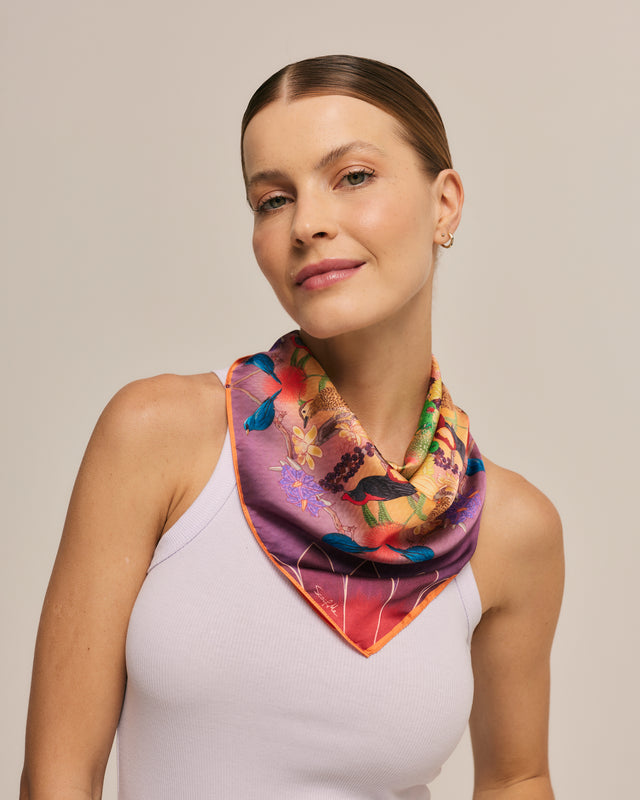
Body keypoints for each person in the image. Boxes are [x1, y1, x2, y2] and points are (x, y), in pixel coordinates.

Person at [20, 55, 564, 799]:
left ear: (445, 205)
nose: (307, 223)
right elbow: (57, 778)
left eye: (353, 176)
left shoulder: (510, 528)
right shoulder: (159, 437)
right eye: (273, 199)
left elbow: (517, 777)